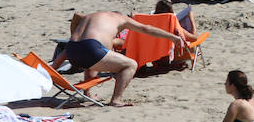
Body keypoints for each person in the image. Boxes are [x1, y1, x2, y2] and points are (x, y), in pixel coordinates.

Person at [50, 11, 185, 107]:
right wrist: (172, 37)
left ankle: (88, 92)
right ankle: (116, 100)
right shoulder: (122, 19)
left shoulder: (92, 16)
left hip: (73, 50)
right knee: (131, 64)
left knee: (93, 62)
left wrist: (52, 68)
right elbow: (146, 28)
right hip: (91, 48)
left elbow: (71, 49)